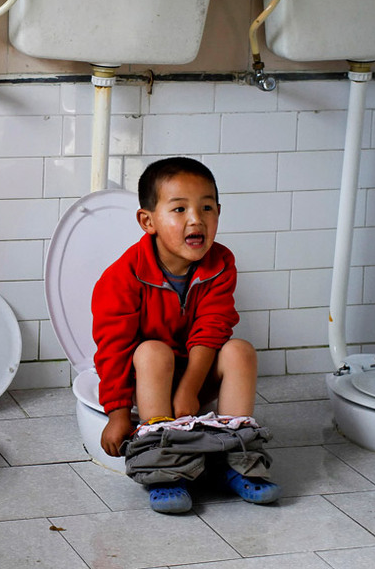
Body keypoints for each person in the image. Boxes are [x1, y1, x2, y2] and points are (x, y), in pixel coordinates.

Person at [91, 156, 280, 513]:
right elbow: (113, 349)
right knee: (152, 351)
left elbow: (213, 327)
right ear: (148, 221)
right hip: (146, 381)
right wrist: (117, 414)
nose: (196, 219)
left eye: (206, 207)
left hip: (194, 373)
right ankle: (164, 467)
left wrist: (189, 388)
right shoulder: (122, 277)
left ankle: (236, 459)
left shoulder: (220, 264)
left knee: (239, 350)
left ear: (218, 213)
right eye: (179, 209)